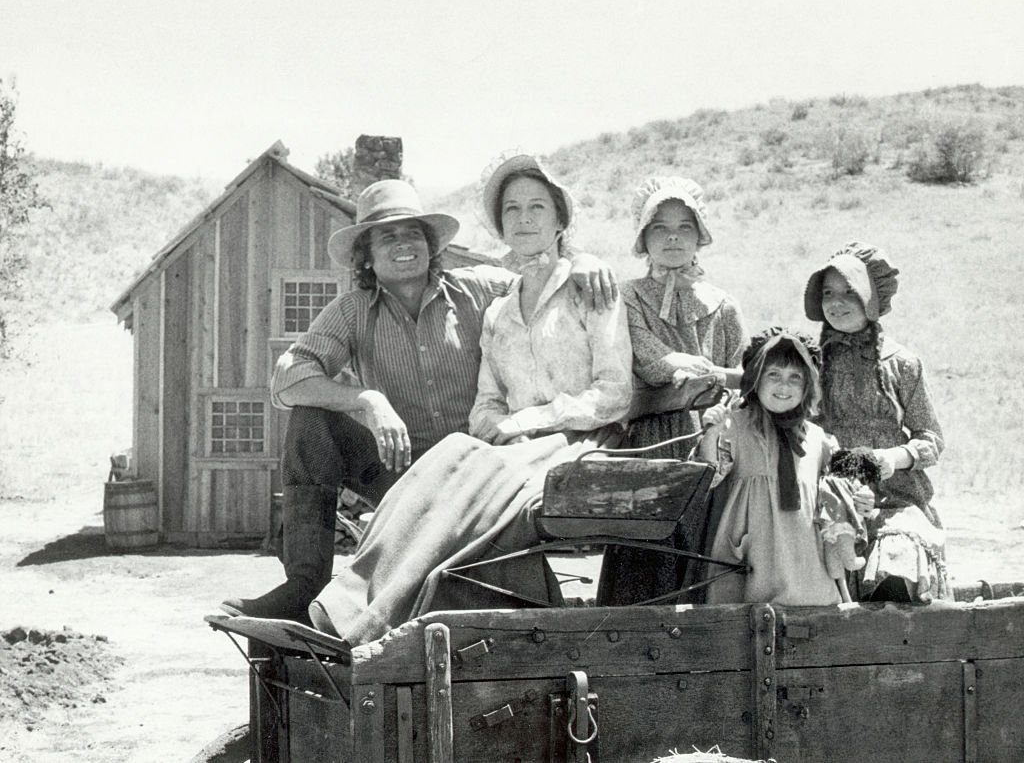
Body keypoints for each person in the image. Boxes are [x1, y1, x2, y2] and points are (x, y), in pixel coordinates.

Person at [222, 178, 618, 623]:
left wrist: (581, 261)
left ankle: (361, 610)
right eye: (386, 237)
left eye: (413, 233)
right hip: (398, 472)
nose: (403, 244)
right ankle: (304, 586)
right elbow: (287, 378)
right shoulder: (352, 310)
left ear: (431, 245)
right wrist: (366, 400)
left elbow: (546, 283)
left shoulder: (480, 289)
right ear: (366, 258)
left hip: (481, 474)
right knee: (311, 420)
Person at [306, 153, 633, 644]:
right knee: (448, 457)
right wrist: (491, 427)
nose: (524, 219)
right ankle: (345, 602)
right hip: (515, 450)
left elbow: (614, 394)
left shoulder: (591, 291)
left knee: (480, 472)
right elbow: (486, 401)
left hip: (583, 443)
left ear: (561, 219)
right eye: (512, 210)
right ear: (500, 225)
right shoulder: (500, 307)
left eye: (537, 208)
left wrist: (524, 422)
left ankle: (371, 624)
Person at [598, 176, 747, 606]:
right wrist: (687, 371)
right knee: (644, 556)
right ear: (643, 237)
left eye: (685, 226)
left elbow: (743, 378)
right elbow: (649, 360)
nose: (673, 237)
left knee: (705, 553)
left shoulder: (723, 305)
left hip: (711, 441)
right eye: (660, 227)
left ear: (700, 234)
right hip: (651, 441)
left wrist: (714, 383)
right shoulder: (626, 298)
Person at [804, 241, 947, 602]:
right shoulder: (812, 363)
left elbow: (931, 440)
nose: (836, 303)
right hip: (828, 499)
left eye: (850, 293)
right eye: (828, 293)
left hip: (896, 500)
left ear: (872, 298)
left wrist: (892, 459)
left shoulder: (902, 363)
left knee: (895, 573)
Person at [699, 327, 842, 606]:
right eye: (773, 375)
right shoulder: (735, 425)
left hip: (804, 558)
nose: (783, 387)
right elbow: (710, 477)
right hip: (754, 552)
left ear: (807, 386)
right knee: (742, 618)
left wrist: (859, 500)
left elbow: (837, 494)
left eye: (794, 378)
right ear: (755, 379)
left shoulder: (817, 438)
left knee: (809, 616)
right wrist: (712, 434)